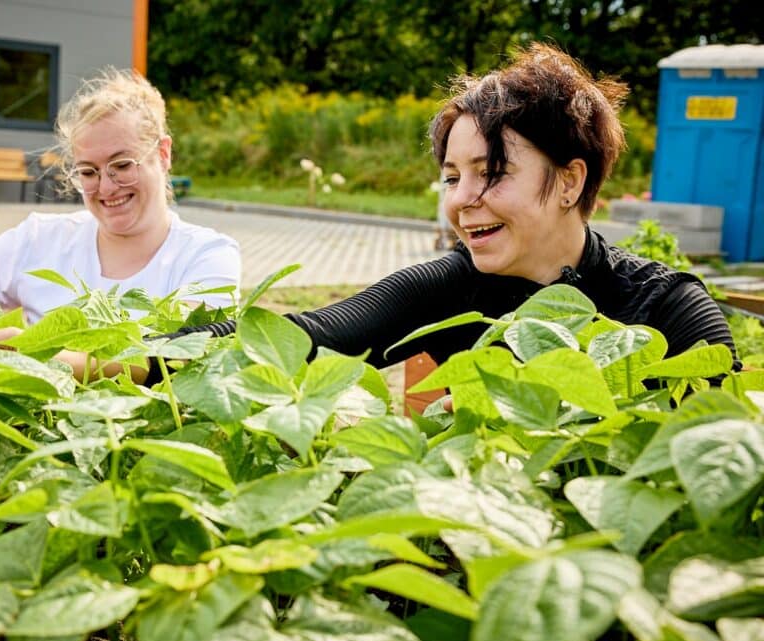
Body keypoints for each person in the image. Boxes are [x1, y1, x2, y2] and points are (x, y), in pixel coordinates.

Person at [138, 43, 736, 385]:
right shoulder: (457, 284)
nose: (460, 199)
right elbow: (306, 334)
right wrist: (125, 359)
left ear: (569, 181)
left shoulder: (666, 309)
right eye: (452, 177)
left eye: (491, 172)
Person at [0, 68, 241, 373]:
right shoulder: (41, 238)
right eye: (89, 172)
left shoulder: (207, 254)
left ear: (163, 154)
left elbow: (184, 354)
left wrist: (44, 356)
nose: (107, 187)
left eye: (122, 165)